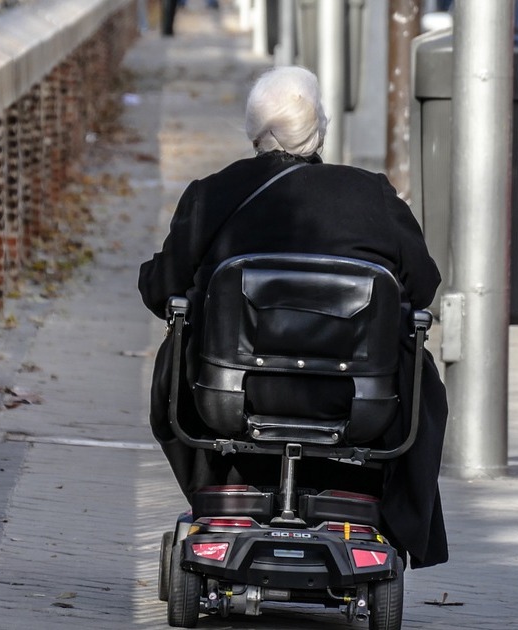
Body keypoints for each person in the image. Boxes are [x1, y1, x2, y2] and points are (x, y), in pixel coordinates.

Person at [139, 66, 448, 569]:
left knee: (181, 340)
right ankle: (380, 509)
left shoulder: (211, 195)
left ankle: (225, 485)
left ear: (253, 130)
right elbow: (424, 286)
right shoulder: (374, 196)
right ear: (320, 128)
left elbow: (160, 291)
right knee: (416, 360)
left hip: (231, 398)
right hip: (358, 404)